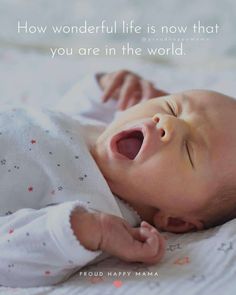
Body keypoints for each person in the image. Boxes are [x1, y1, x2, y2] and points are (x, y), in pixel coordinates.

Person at [0, 70, 235, 287]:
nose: (166, 121)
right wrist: (107, 87)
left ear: (176, 222)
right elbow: (63, 114)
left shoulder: (99, 213)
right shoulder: (96, 129)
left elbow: (10, 256)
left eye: (188, 150)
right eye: (172, 107)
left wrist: (86, 230)